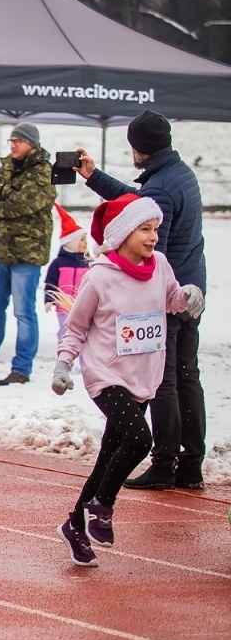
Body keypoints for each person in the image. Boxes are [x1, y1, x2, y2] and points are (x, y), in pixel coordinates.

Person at [51, 194, 203, 565]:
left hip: (143, 375)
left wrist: (188, 295)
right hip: (106, 375)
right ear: (122, 234)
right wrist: (63, 365)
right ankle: (103, 506)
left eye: (155, 229)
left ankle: (75, 523)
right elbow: (76, 327)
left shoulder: (161, 264)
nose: (153, 237)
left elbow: (171, 301)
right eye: (144, 230)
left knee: (108, 457)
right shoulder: (100, 277)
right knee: (139, 439)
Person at [77, 110, 208, 490]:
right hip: (192, 289)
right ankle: (190, 462)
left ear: (138, 147)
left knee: (163, 382)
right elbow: (138, 203)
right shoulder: (178, 174)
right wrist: (94, 178)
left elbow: (151, 255)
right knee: (187, 378)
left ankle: (165, 461)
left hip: (168, 298)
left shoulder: (160, 189)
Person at [0, 122, 55, 386]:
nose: (13, 145)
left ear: (32, 143)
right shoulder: (7, 167)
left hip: (26, 255)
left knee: (24, 312)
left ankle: (22, 369)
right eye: (11, 140)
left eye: (18, 140)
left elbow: (26, 204)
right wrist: (5, 192)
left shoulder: (43, 172)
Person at [43, 205, 89, 344]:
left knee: (85, 336)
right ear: (72, 243)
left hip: (84, 308)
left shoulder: (88, 263)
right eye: (82, 240)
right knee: (65, 333)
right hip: (63, 308)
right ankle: (64, 362)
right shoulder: (58, 263)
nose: (85, 244)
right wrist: (49, 299)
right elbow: (51, 283)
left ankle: (84, 364)